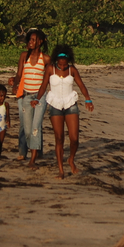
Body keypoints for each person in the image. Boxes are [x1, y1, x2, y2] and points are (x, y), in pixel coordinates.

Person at [33, 45, 94, 179]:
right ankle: (61, 170)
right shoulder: (50, 69)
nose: (62, 66)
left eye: (64, 63)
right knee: (59, 138)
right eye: (60, 63)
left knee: (74, 138)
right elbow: (43, 86)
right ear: (56, 60)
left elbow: (81, 85)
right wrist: (37, 99)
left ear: (68, 60)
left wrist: (88, 99)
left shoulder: (72, 70)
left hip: (70, 103)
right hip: (55, 104)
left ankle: (71, 159)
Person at [8, 28, 50, 168]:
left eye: (33, 40)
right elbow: (19, 73)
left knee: (35, 127)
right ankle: (33, 150)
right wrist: (16, 84)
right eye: (30, 39)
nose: (30, 42)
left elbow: (49, 77)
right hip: (26, 95)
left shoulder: (45, 59)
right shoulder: (24, 56)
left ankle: (33, 158)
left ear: (40, 41)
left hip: (39, 96)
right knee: (27, 130)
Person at [0, 83, 11, 170]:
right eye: (1, 96)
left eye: (4, 96)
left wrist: (8, 121)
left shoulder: (6, 105)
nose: (2, 98)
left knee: (0, 145)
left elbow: (7, 115)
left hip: (2, 127)